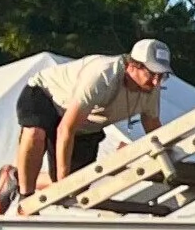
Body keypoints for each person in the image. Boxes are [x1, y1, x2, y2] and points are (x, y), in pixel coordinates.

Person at [12, 39, 172, 203]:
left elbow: (153, 128)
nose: (156, 82)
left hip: (85, 124)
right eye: (151, 73)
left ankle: (16, 176)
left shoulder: (152, 89)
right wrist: (63, 184)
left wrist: (170, 155)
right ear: (133, 65)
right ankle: (25, 199)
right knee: (35, 134)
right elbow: (65, 129)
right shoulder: (103, 75)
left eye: (162, 76)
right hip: (48, 98)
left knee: (78, 184)